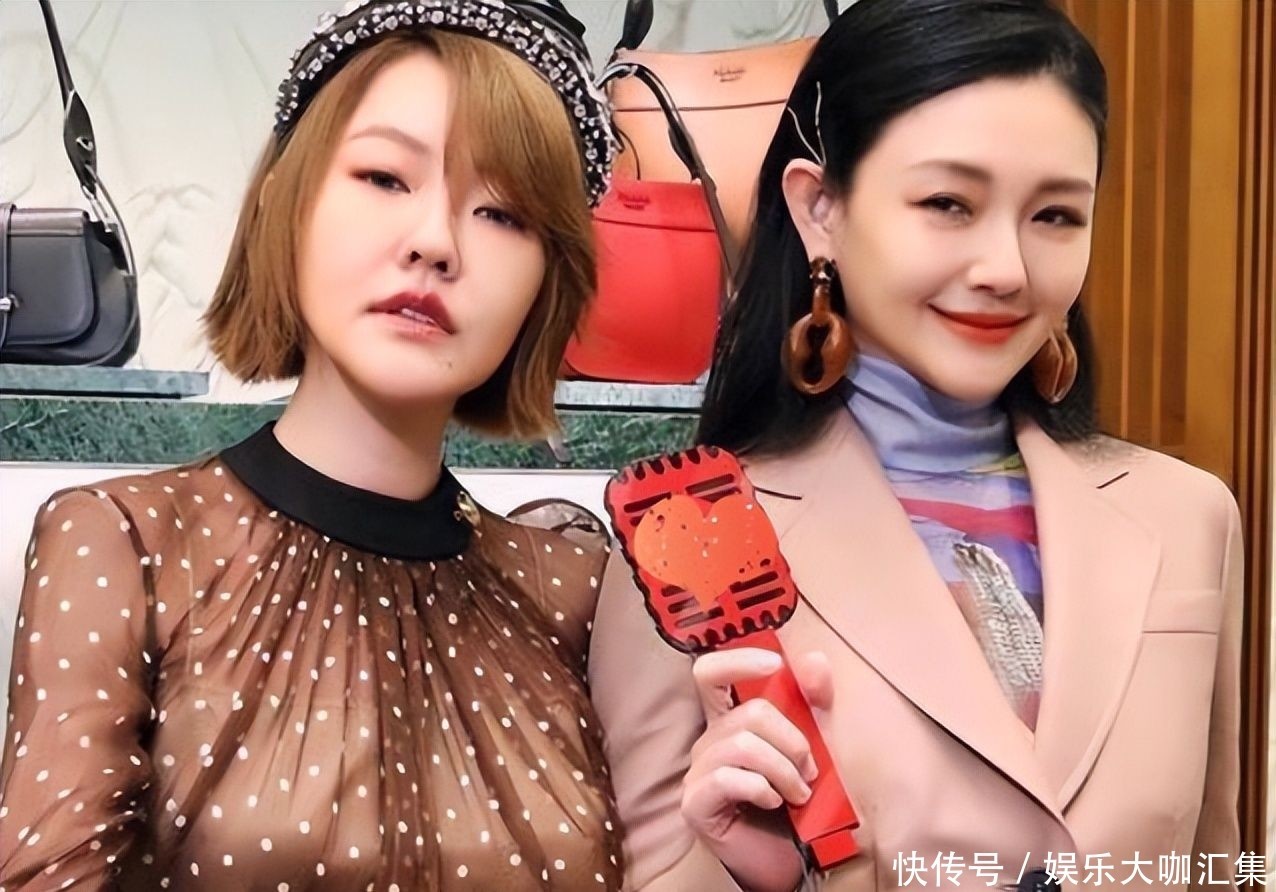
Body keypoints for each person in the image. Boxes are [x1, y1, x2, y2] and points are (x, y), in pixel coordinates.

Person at [588, 1, 1242, 889]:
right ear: (819, 208)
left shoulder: (1186, 517)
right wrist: (742, 871)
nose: (1006, 268)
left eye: (1056, 215)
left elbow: (1212, 860)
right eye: (947, 204)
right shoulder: (691, 535)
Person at [0, 1, 626, 888]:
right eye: (385, 177)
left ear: (547, 282)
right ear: (286, 201)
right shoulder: (128, 544)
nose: (435, 242)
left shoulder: (575, 590)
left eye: (504, 213)